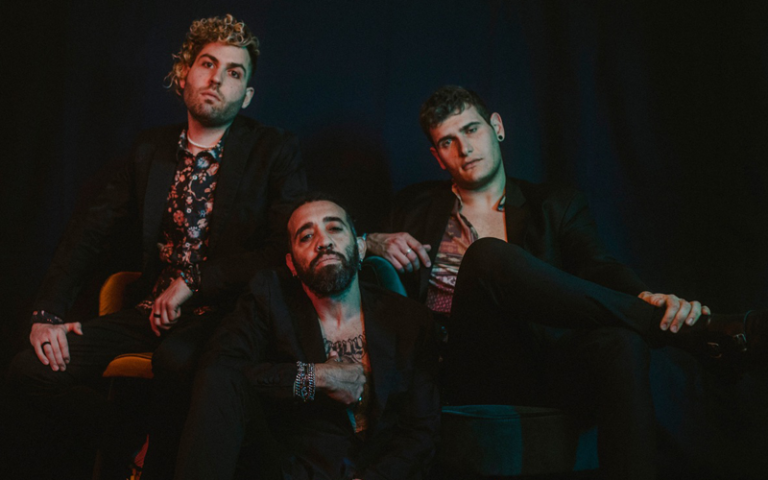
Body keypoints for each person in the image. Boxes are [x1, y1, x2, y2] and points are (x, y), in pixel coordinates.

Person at [364, 85, 767, 480]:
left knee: (620, 342)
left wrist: (645, 296)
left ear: (497, 127)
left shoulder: (553, 204)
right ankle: (694, 334)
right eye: (447, 142)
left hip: (542, 362)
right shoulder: (414, 207)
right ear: (437, 157)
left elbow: (598, 265)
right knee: (486, 255)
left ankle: (664, 335)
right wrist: (371, 240)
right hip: (463, 367)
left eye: (471, 129)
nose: (464, 148)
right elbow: (341, 248)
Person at [7, 13, 306, 480]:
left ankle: (155, 458)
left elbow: (281, 251)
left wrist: (195, 281)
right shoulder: (150, 149)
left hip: (225, 317)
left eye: (234, 72)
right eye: (208, 64)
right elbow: (91, 231)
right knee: (30, 369)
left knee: (176, 360)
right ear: (184, 74)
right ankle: (130, 441)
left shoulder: (273, 151)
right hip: (148, 314)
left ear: (246, 95)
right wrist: (48, 312)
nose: (217, 79)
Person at [173, 194, 440, 480]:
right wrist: (314, 377)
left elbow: (421, 431)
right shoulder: (269, 297)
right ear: (291, 264)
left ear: (360, 248)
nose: (323, 242)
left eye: (334, 228)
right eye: (306, 236)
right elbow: (222, 370)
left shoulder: (408, 319)